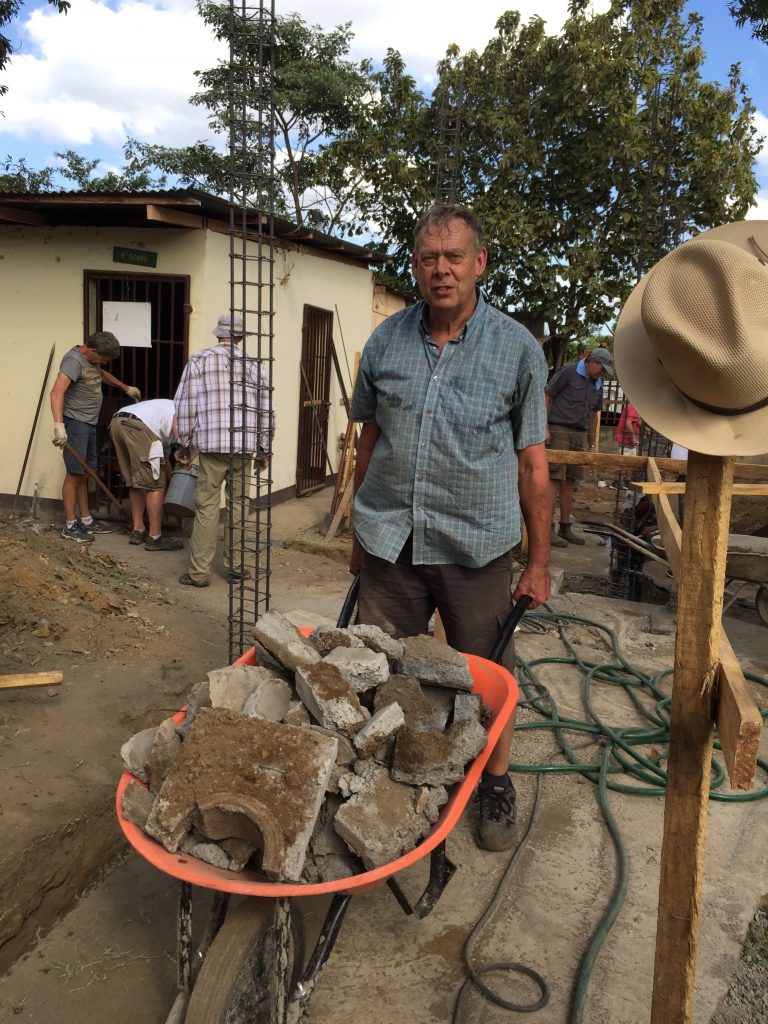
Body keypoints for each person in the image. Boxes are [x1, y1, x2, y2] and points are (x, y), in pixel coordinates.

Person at [349, 203, 551, 852]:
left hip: (475, 547)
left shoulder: (517, 349)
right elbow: (367, 443)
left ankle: (494, 780)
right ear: (415, 266)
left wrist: (540, 562)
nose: (441, 270)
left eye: (454, 257)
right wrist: (358, 532)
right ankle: (394, 771)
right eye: (429, 258)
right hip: (392, 543)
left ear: (479, 264)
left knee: (486, 674)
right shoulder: (385, 342)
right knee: (385, 668)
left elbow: (532, 466)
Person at [174, 312, 274, 587]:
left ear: (218, 335)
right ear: (241, 338)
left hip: (211, 445)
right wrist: (265, 446)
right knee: (239, 505)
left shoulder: (199, 360)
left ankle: (198, 573)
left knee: (206, 507)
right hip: (244, 445)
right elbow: (266, 408)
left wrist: (184, 442)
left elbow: (185, 404)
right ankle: (235, 568)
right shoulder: (255, 365)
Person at [50, 331, 141, 543]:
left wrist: (125, 388)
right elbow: (57, 392)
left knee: (84, 472)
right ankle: (70, 526)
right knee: (74, 473)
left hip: (89, 423)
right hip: (75, 424)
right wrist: (58, 425)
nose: (105, 363)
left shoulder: (91, 361)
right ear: (92, 351)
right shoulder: (73, 361)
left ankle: (87, 520)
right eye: (104, 359)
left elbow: (100, 375)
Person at [545, 346, 613, 547]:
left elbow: (594, 414)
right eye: (602, 369)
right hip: (560, 429)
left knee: (571, 480)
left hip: (580, 434)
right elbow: (547, 396)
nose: (602, 373)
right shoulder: (568, 371)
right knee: (554, 479)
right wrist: (545, 428)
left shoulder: (597, 383)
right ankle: (546, 528)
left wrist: (592, 443)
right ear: (591, 362)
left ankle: (565, 527)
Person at [109, 398, 184, 551]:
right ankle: (155, 538)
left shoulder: (162, 414)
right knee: (155, 484)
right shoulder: (183, 407)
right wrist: (185, 449)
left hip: (118, 422)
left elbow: (165, 459)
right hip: (140, 426)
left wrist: (173, 480)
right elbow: (178, 425)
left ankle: (138, 531)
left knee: (136, 481)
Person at [611, 400, 641, 490]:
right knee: (622, 460)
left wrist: (644, 428)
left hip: (628, 438)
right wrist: (632, 437)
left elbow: (636, 420)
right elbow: (628, 423)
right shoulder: (633, 407)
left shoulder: (635, 407)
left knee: (630, 460)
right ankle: (616, 482)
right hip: (626, 438)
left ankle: (627, 480)